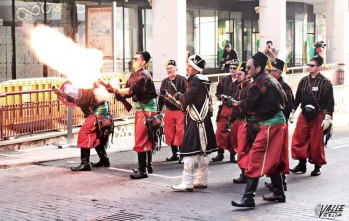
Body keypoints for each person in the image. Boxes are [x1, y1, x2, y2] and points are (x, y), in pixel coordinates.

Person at [229, 52, 289, 207]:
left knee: (255, 158)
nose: (246, 70)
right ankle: (279, 193)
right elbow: (285, 101)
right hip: (277, 123)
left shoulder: (257, 83)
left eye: (249, 68)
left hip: (270, 125)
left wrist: (234, 103)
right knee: (272, 159)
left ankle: (248, 198)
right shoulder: (270, 80)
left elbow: (247, 106)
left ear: (259, 67)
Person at [106, 51, 158, 179]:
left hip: (147, 111)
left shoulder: (144, 75)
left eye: (136, 59)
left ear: (143, 62)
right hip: (141, 110)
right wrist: (119, 95)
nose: (133, 60)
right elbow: (127, 92)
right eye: (133, 59)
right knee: (146, 138)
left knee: (141, 139)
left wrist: (116, 90)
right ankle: (147, 166)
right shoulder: (134, 75)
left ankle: (142, 170)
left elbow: (131, 90)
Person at [171, 54, 218, 191]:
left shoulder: (195, 81)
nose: (187, 67)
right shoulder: (204, 80)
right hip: (204, 120)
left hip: (195, 120)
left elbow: (186, 100)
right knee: (201, 152)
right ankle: (202, 179)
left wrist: (178, 95)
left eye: (190, 66)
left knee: (189, 151)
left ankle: (187, 182)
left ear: (196, 69)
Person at [289, 55, 334, 176]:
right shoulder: (303, 81)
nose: (309, 67)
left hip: (318, 115)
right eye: (308, 65)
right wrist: (293, 111)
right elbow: (298, 97)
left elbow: (330, 102)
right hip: (304, 114)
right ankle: (302, 164)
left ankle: (317, 166)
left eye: (312, 65)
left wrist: (328, 118)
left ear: (319, 67)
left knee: (316, 143)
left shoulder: (326, 83)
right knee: (298, 139)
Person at [53, 83, 111, 171]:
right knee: (96, 136)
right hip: (103, 114)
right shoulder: (95, 83)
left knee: (83, 134)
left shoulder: (87, 84)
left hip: (97, 114)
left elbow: (82, 103)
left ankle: (85, 163)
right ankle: (104, 160)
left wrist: (65, 96)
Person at [264, 58, 294, 191]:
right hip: (273, 122)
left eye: (272, 71)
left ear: (279, 73)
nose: (269, 73)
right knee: (272, 153)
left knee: (279, 154)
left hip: (280, 123)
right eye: (269, 70)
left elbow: (287, 107)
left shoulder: (284, 86)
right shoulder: (272, 84)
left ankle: (282, 182)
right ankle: (275, 180)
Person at [158, 60, 188, 163]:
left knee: (180, 133)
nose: (169, 70)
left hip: (180, 110)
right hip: (169, 111)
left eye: (171, 68)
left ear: (176, 69)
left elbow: (188, 94)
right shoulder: (165, 81)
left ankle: (182, 155)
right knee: (170, 133)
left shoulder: (183, 80)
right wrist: (159, 110)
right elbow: (161, 97)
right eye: (167, 68)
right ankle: (175, 154)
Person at [228, 62, 252, 184]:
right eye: (236, 74)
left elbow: (246, 105)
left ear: (247, 74)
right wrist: (231, 119)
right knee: (238, 146)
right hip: (238, 121)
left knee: (243, 148)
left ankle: (245, 172)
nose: (237, 76)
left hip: (246, 122)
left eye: (240, 74)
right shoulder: (238, 87)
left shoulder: (250, 87)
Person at [211, 59, 240, 163]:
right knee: (220, 131)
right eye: (231, 68)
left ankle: (233, 154)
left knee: (233, 134)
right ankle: (220, 153)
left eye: (234, 68)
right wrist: (222, 97)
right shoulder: (224, 79)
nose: (232, 70)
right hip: (224, 109)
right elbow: (217, 93)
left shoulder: (242, 81)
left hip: (236, 110)